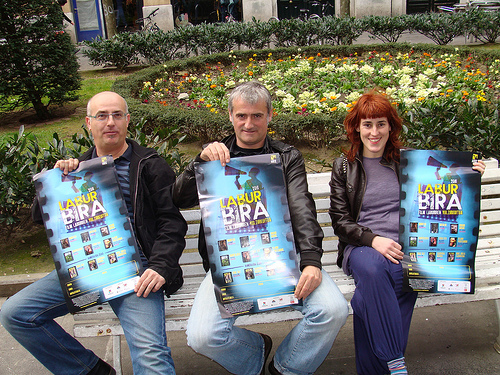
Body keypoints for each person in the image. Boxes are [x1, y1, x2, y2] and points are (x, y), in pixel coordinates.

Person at [0, 91, 187, 375]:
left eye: (116, 115)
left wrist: (161, 266)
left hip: (137, 272)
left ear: (127, 120)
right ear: (89, 123)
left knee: (151, 357)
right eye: (101, 116)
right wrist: (55, 182)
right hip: (87, 267)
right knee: (15, 314)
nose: (109, 122)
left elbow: (171, 223)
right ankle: (89, 370)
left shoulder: (150, 165)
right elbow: (40, 218)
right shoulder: (76, 171)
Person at [173, 81, 349, 375]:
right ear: (230, 116)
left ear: (270, 116)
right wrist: (197, 164)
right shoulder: (214, 157)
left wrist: (310, 262)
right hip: (230, 262)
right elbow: (179, 198)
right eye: (241, 115)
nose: (248, 123)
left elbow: (302, 208)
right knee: (203, 336)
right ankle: (254, 352)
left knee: (332, 310)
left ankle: (287, 367)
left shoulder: (287, 157)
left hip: (283, 256)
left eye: (256, 115)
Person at [328, 90, 485, 375]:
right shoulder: (344, 166)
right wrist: (373, 239)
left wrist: (470, 173)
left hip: (407, 250)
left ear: (391, 127)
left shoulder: (409, 161)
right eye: (367, 124)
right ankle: (394, 359)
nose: (374, 132)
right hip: (363, 247)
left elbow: (444, 184)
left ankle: (376, 369)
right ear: (356, 128)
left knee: (371, 297)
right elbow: (340, 220)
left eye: (380, 124)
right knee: (376, 270)